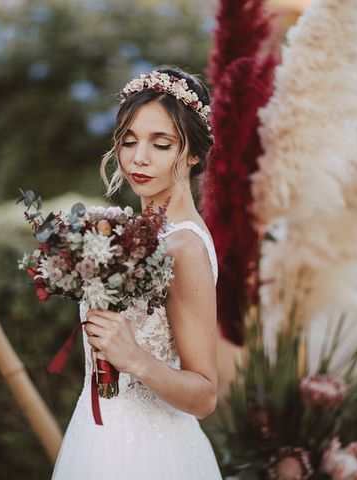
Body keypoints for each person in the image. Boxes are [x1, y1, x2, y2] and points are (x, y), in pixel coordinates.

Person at [51, 66, 222, 479]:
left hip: (152, 453)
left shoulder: (183, 247)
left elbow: (204, 396)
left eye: (160, 144)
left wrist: (135, 359)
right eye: (129, 141)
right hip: (96, 436)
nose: (138, 158)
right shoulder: (131, 234)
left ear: (194, 154)